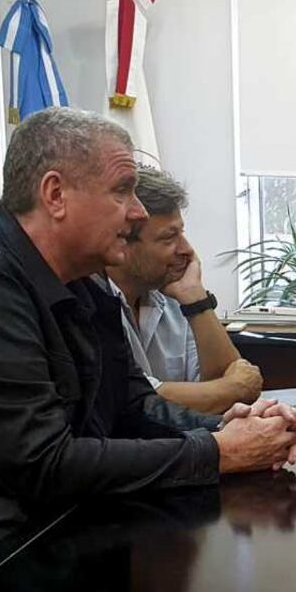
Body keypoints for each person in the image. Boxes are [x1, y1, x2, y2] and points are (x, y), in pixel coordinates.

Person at [0, 108, 296, 562]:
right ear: (55, 194)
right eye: (123, 191)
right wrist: (218, 452)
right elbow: (42, 463)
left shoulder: (85, 279)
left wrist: (230, 427)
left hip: (58, 532)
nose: (138, 211)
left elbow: (131, 405)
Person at [103, 165, 262, 414]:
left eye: (182, 233)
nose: (187, 249)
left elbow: (227, 399)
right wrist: (236, 387)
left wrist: (196, 299)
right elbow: (137, 401)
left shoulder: (172, 298)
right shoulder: (89, 301)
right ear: (123, 242)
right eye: (169, 238)